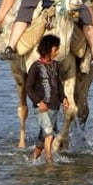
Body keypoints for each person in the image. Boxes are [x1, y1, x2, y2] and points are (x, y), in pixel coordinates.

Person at [26, 34, 68, 163]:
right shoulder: (36, 67)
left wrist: (64, 99)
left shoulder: (55, 65)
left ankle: (31, 160)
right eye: (56, 49)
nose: (58, 52)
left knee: (43, 139)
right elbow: (29, 87)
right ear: (48, 49)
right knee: (49, 133)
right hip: (42, 109)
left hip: (54, 108)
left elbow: (58, 84)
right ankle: (49, 160)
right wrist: (39, 102)